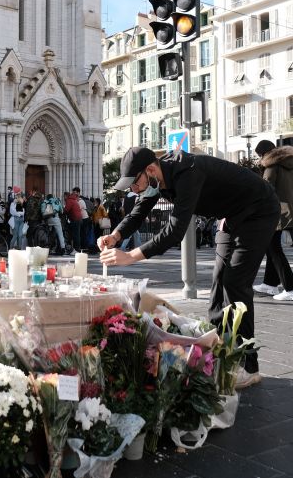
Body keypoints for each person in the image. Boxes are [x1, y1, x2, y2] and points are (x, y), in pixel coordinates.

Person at [98, 146, 279, 389]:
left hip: (259, 210)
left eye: (134, 183)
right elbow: (139, 212)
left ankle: (249, 365)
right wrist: (116, 236)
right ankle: (218, 352)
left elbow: (174, 231)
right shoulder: (155, 179)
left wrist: (130, 256)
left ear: (150, 170)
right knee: (219, 281)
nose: (133, 190)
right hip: (233, 214)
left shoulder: (187, 172)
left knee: (235, 282)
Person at [252, 140, 293, 302]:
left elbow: (265, 191)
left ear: (264, 154)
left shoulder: (272, 167)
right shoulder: (289, 163)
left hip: (277, 213)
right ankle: (270, 284)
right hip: (290, 211)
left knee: (274, 249)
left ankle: (290, 288)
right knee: (272, 248)